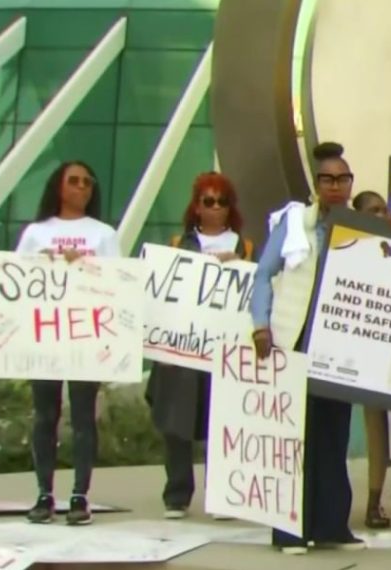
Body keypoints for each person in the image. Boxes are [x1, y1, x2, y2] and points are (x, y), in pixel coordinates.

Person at [251, 141, 374, 554]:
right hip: (296, 340)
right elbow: (264, 275)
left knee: (333, 436)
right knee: (294, 439)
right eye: (328, 179)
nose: (336, 186)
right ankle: (288, 530)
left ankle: (331, 525)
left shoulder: (362, 228)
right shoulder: (293, 224)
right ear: (317, 184)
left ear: (351, 183)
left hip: (340, 345)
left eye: (343, 179)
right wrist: (260, 325)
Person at [145, 172, 254, 519]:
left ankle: (222, 495)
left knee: (221, 422)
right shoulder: (179, 244)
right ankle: (177, 494)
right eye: (208, 201)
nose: (215, 208)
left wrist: (238, 266)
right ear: (196, 206)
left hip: (224, 349)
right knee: (177, 425)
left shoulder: (245, 247)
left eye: (222, 201)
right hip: (183, 347)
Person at [17, 161, 120, 526]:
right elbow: (14, 286)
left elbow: (116, 284)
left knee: (82, 418)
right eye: (73, 181)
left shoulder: (104, 234)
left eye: (87, 183)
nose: (81, 188)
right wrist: (42, 265)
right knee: (45, 416)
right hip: (46, 340)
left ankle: (80, 495)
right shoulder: (35, 233)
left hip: (85, 339)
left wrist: (86, 267)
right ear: (58, 187)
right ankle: (44, 494)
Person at [349, 189, 391, 529]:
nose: (382, 215)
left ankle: (374, 503)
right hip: (349, 351)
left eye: (385, 210)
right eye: (375, 210)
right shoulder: (347, 248)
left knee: (378, 432)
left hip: (383, 353)